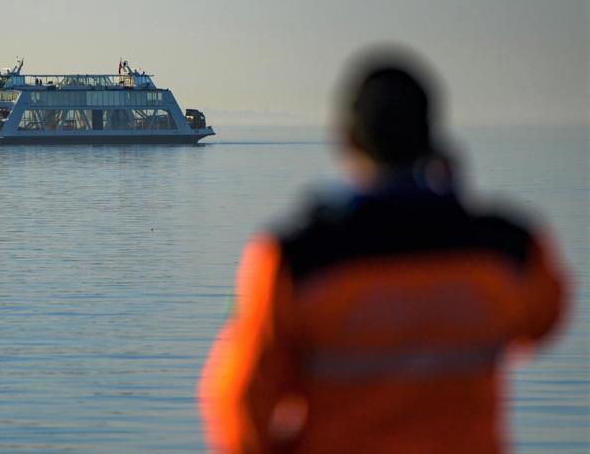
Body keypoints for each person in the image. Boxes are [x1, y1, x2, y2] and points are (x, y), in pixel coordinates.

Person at [198, 45, 567, 453]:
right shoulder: (507, 251)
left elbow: (237, 400)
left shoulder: (294, 261)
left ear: (347, 138)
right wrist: (456, 203)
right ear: (432, 136)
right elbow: (545, 317)